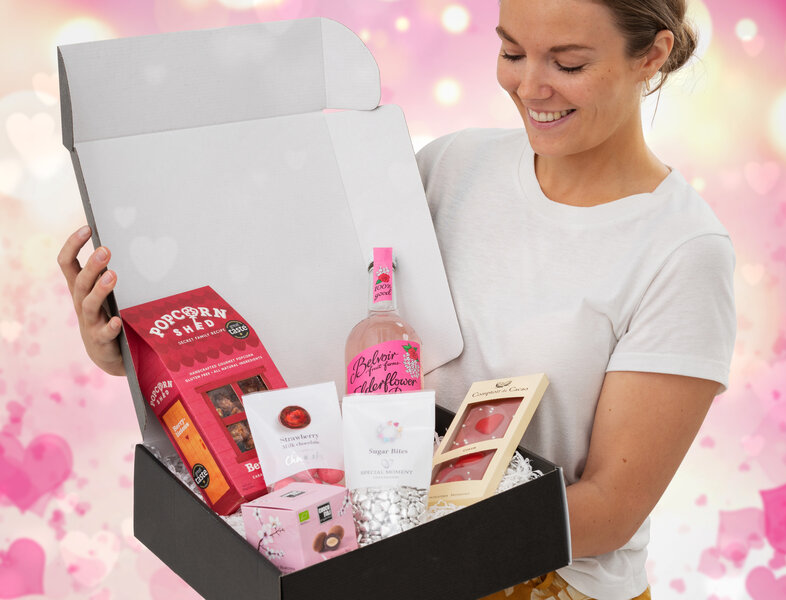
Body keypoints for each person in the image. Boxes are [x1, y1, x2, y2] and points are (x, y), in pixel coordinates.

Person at [57, 0, 736, 598]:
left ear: (652, 55)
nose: (530, 86)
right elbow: (314, 328)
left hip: (540, 575)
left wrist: (403, 543)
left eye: (568, 63)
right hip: (367, 552)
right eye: (511, 52)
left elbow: (612, 509)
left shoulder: (682, 251)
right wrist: (139, 354)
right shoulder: (453, 166)